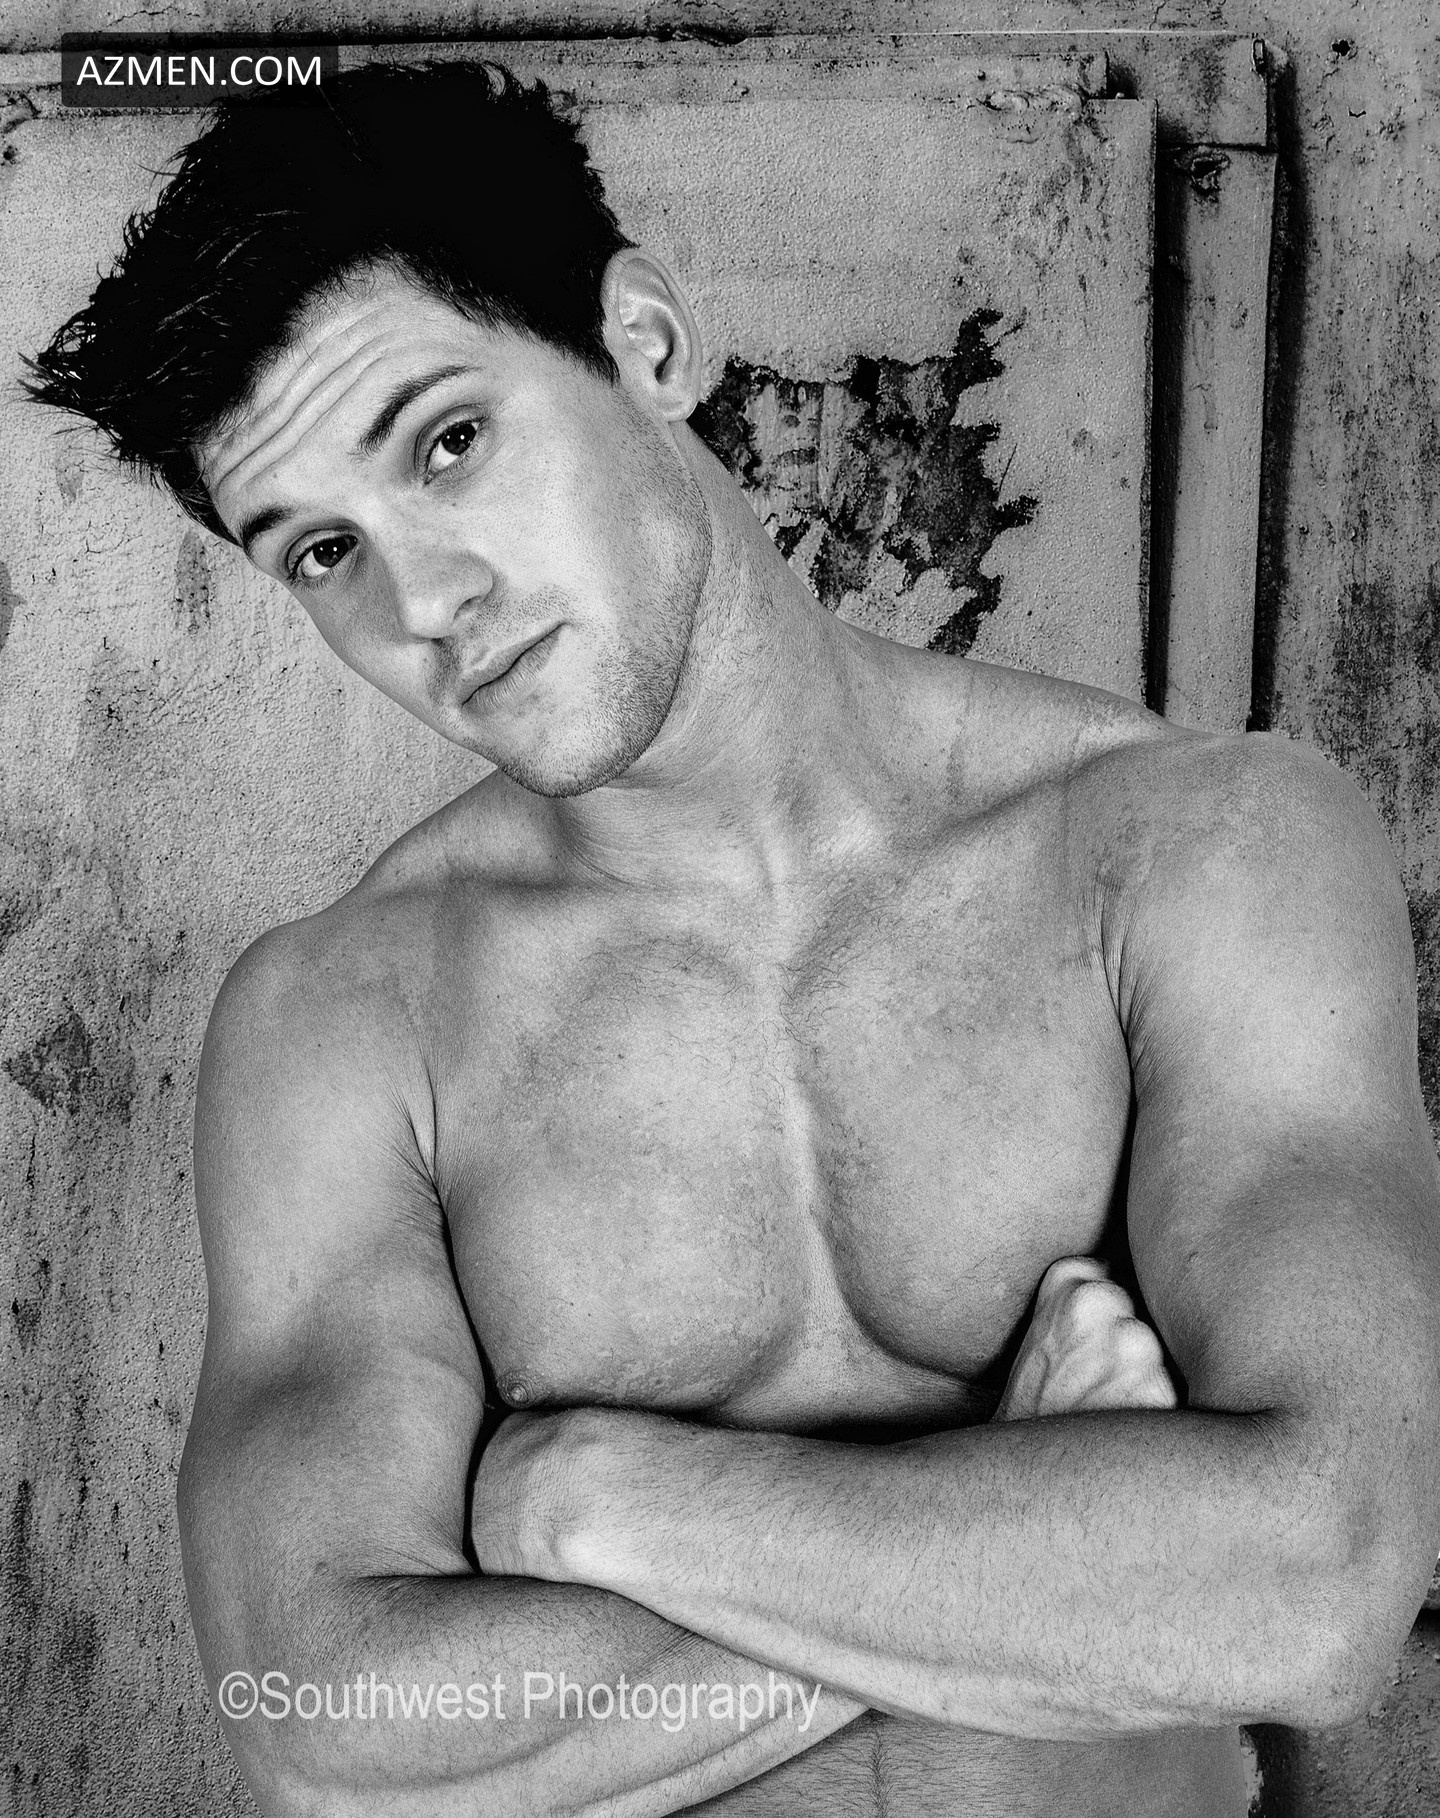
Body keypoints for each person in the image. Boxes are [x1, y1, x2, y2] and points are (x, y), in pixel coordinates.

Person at [27, 58, 1440, 1818]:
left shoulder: (1200, 854)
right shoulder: (347, 1019)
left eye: (448, 444)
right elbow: (313, 1712)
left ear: (647, 343)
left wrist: (591, 1500)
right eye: (321, 552)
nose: (425, 602)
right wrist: (1027, 1514)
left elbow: (1323, 1577)